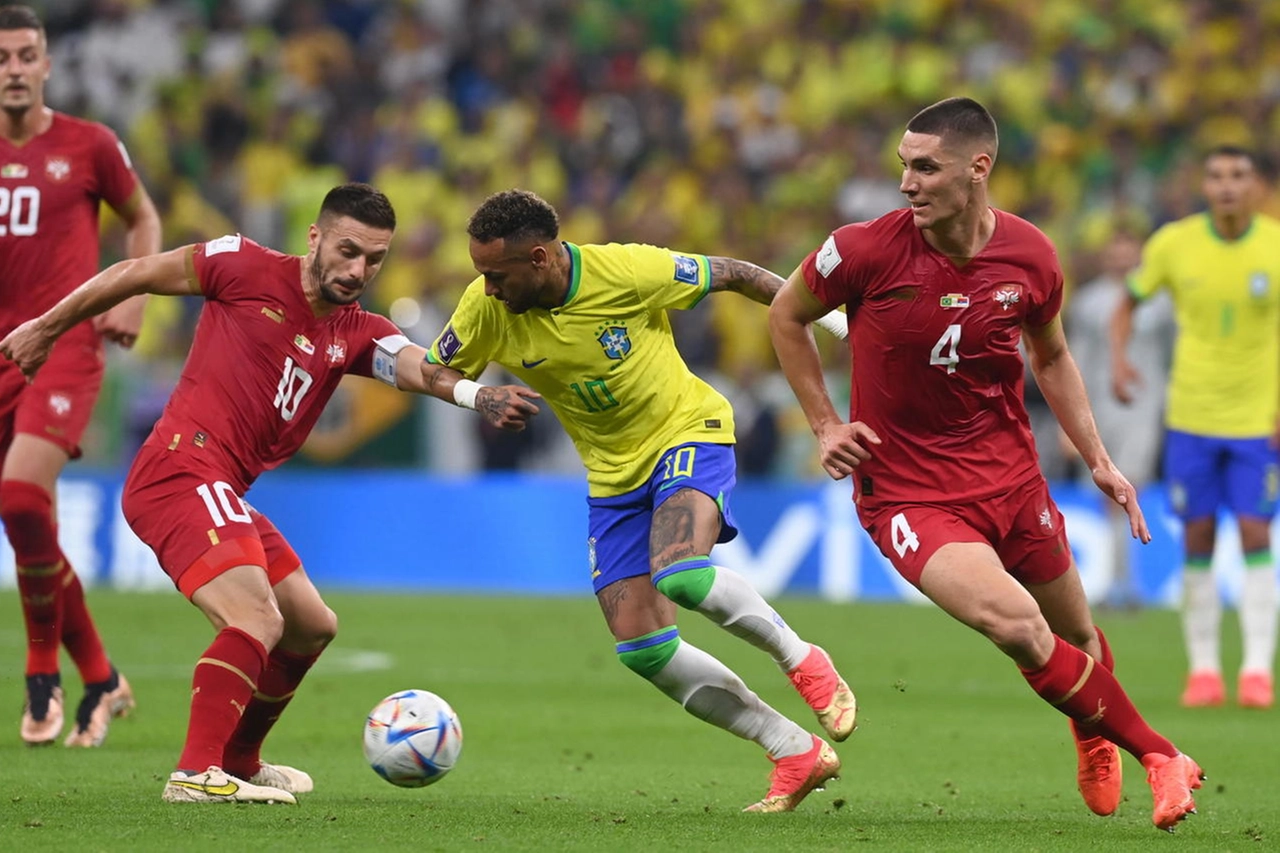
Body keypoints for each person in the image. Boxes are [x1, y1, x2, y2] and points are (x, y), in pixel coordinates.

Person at [767, 97, 1203, 832]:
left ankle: (1093, 726)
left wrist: (1098, 458)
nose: (907, 182)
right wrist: (824, 423)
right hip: (907, 493)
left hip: (1010, 477)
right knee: (1018, 626)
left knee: (1081, 639)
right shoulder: (864, 249)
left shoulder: (1031, 255)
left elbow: (1054, 355)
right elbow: (785, 315)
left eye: (924, 167)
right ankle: (1162, 754)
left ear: (979, 168)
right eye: (904, 165)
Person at [417, 188, 856, 813]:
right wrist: (475, 396)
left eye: (496, 274)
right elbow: (435, 369)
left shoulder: (626, 271)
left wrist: (838, 323)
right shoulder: (485, 309)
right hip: (611, 477)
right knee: (642, 648)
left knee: (680, 573)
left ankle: (804, 660)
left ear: (540, 258)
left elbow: (736, 274)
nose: (487, 288)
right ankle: (793, 750)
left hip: (686, 432)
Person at [1, 183, 435, 804]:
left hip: (222, 486)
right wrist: (46, 327)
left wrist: (479, 393)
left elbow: (416, 364)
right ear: (314, 237)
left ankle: (238, 759)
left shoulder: (356, 331)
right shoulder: (243, 264)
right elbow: (134, 271)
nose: (359, 269)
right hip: (179, 470)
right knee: (256, 617)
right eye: (348, 251)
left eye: (374, 260)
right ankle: (195, 772)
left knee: (311, 626)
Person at [0, 4, 161, 747]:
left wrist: (128, 296)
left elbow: (144, 221)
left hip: (64, 341)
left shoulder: (89, 145)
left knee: (20, 493)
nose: (14, 70)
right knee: (26, 521)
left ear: (47, 65)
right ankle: (101, 674)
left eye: (26, 55)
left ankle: (44, 676)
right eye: (2, 58)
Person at [1112, 145, 1280, 709]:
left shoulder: (1275, 245)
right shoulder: (1174, 244)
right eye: (1216, 176)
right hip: (1190, 417)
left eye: (1239, 175)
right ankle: (1204, 672)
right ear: (1204, 186)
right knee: (1198, 537)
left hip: (1259, 420)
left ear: (1256, 186)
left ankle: (1257, 670)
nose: (1227, 185)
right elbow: (1126, 304)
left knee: (1257, 534)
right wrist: (1119, 359)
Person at [1064, 233, 1173, 609]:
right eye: (1114, 253)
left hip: (1144, 409)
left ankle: (1125, 583)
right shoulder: (1088, 301)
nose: (1120, 261)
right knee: (1106, 497)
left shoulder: (1160, 303)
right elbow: (1071, 359)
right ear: (1106, 257)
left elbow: (1170, 357)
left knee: (1131, 490)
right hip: (1096, 410)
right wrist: (1070, 421)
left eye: (1127, 253)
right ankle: (1116, 583)